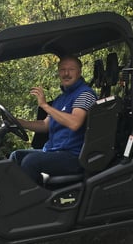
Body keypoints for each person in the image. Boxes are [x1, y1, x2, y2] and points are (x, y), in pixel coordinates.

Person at [10, 55, 97, 185]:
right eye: (62, 70)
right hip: (54, 151)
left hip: (74, 155)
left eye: (71, 69)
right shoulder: (61, 99)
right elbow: (45, 125)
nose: (66, 73)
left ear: (79, 72)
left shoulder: (85, 94)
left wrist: (45, 106)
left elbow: (75, 123)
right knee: (16, 156)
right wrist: (19, 122)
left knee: (31, 161)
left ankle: (31, 197)